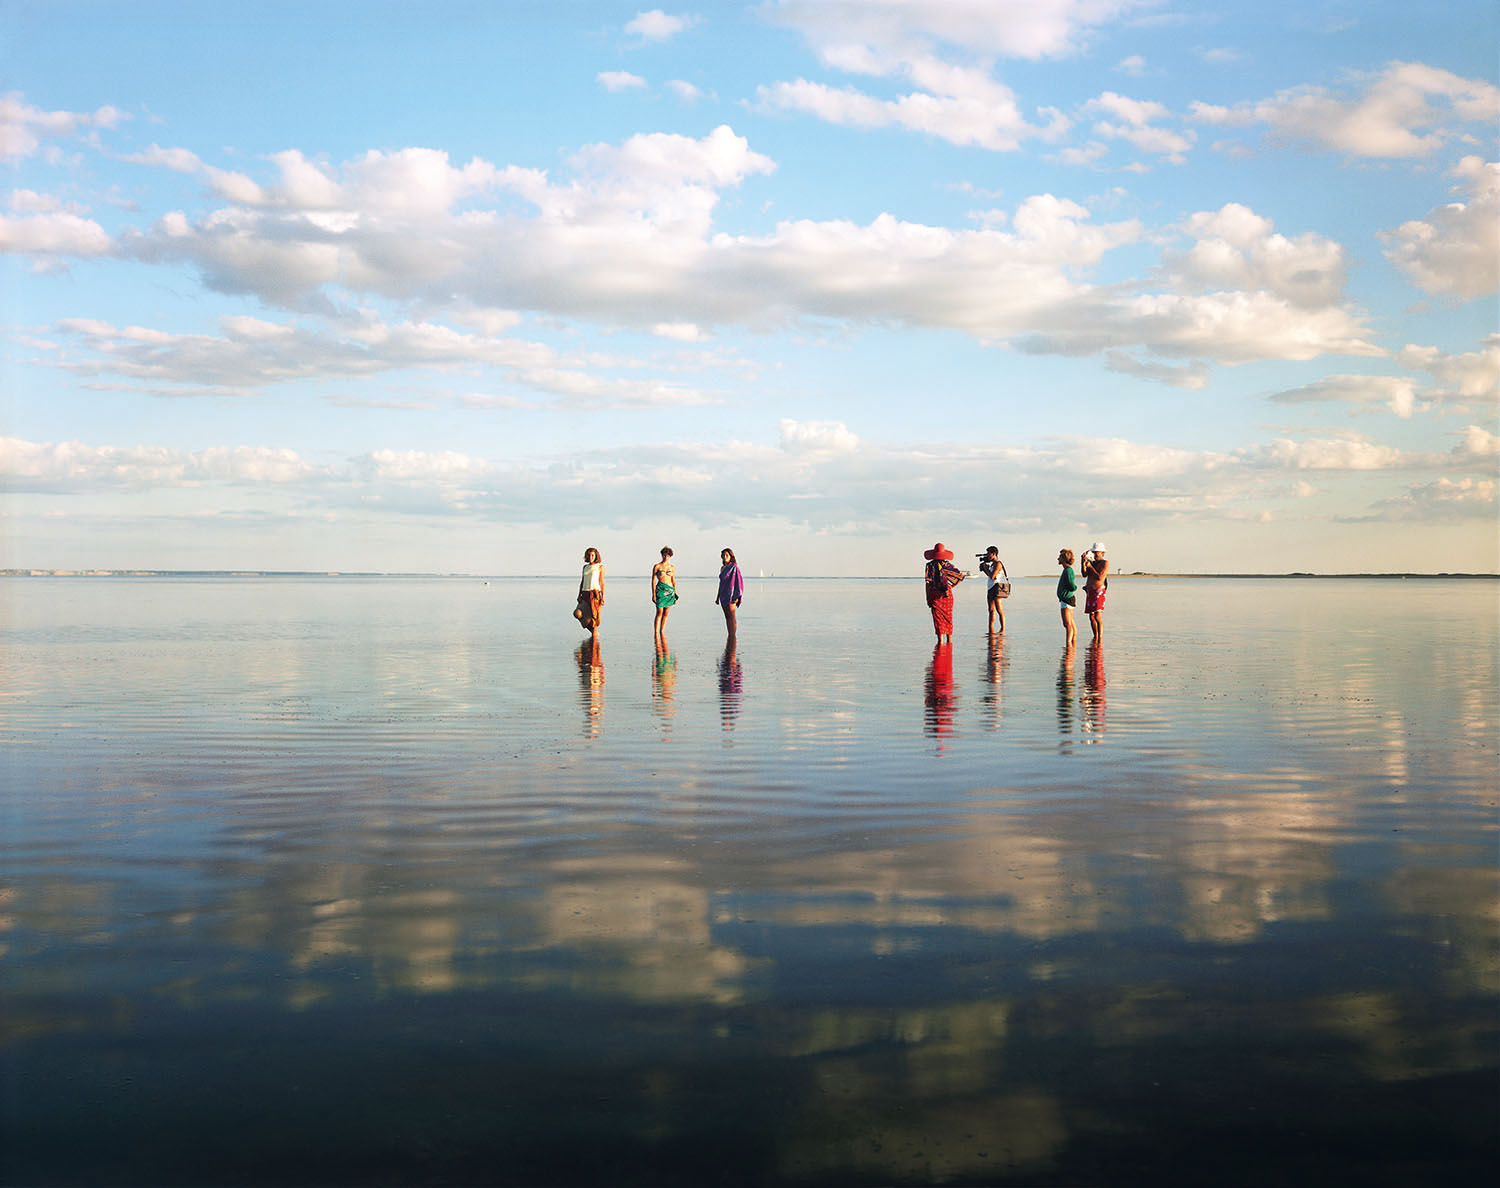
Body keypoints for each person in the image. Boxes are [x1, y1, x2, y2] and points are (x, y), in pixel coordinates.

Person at [923, 542, 965, 643]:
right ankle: (949, 642)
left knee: (938, 619)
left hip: (935, 594)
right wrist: (950, 586)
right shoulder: (947, 565)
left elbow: (928, 583)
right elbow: (959, 576)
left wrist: (928, 597)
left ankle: (940, 642)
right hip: (947, 595)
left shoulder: (929, 566)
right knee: (948, 618)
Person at [1081, 542, 1109, 641]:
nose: (1095, 554)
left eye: (1097, 552)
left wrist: (1090, 567)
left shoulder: (1104, 563)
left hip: (1099, 591)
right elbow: (1084, 574)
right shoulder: (1092, 563)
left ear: (1102, 553)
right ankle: (1095, 636)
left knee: (1097, 616)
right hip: (1090, 591)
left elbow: (1100, 577)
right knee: (1091, 616)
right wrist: (1083, 562)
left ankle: (1100, 638)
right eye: (1094, 552)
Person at [575, 547, 605, 639]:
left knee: (594, 619)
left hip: (594, 594)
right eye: (589, 555)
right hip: (584, 594)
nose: (591, 557)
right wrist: (579, 594)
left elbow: (601, 583)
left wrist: (602, 597)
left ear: (596, 556)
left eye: (592, 555)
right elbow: (582, 581)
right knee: (577, 613)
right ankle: (592, 631)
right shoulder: (585, 567)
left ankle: (594, 649)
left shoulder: (600, 567)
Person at [977, 545, 1008, 632]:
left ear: (994, 554)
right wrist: (984, 569)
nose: (987, 555)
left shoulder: (998, 564)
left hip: (996, 587)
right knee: (991, 610)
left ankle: (1002, 629)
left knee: (999, 609)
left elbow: (993, 576)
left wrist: (986, 568)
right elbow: (989, 575)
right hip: (990, 588)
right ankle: (991, 629)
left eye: (988, 553)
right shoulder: (992, 564)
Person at [715, 547, 744, 637]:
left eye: (726, 555)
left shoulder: (734, 567)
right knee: (727, 617)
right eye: (723, 555)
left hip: (731, 596)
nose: (724, 556)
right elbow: (721, 583)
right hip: (723, 595)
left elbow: (738, 582)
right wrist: (717, 597)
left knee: (732, 616)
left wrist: (737, 596)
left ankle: (733, 636)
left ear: (731, 556)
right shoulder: (723, 568)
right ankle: (730, 635)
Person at [651, 546, 678, 637]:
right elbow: (653, 581)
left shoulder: (672, 567)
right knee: (659, 611)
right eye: (664, 555)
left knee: (666, 613)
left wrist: (675, 593)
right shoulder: (657, 566)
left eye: (667, 555)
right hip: (660, 590)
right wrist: (653, 594)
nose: (665, 557)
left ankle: (662, 632)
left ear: (670, 556)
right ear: (661, 555)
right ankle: (655, 632)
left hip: (670, 591)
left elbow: (673, 580)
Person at [1057, 548, 1078, 645]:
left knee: (1067, 624)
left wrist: (1074, 588)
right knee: (1070, 622)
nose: (1058, 559)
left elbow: (1071, 585)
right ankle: (1073, 641)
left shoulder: (1068, 570)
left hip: (1066, 599)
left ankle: (1068, 644)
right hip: (1067, 599)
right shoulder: (1067, 570)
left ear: (1064, 558)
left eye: (1060, 557)